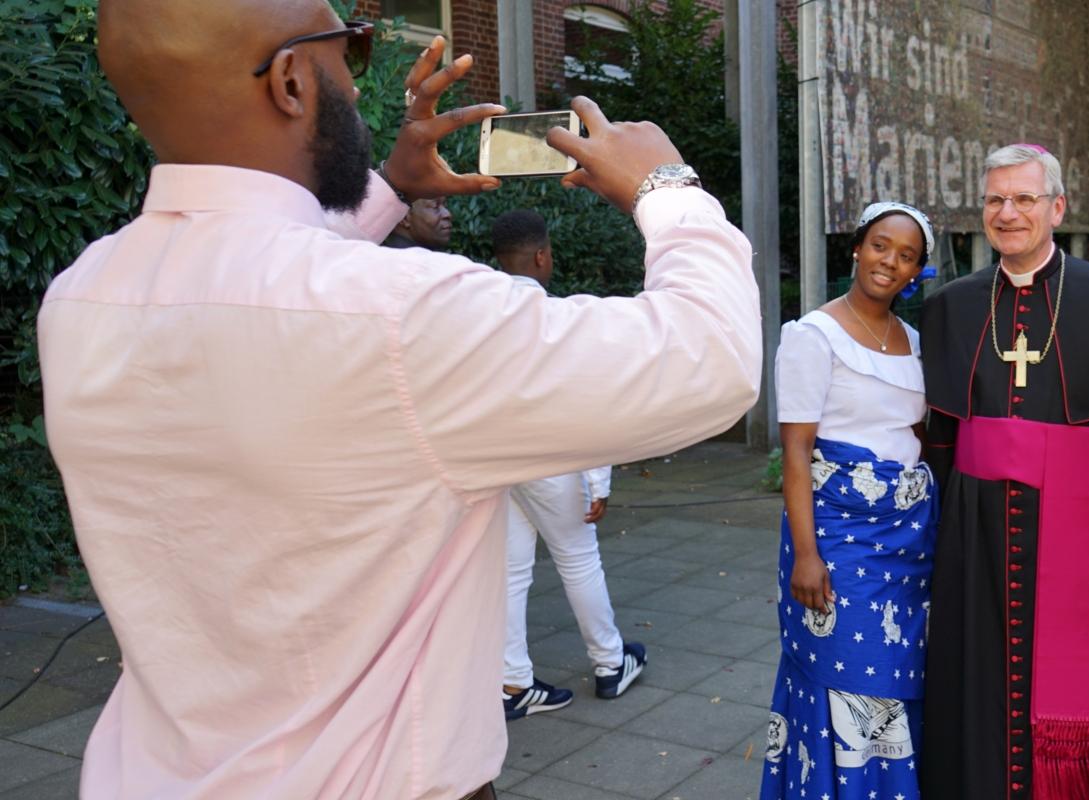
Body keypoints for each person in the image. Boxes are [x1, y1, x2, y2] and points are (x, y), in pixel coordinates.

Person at [39, 3, 762, 798]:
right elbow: (711, 360)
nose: (357, 75)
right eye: (351, 46)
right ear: (289, 81)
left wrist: (385, 189)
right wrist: (667, 186)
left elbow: (272, 295)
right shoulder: (405, 316)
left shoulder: (80, 300)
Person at [920, 144, 1089, 799]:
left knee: (1086, 677)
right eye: (995, 200)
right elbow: (940, 440)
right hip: (978, 531)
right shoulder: (952, 305)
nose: (1008, 212)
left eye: (1024, 199)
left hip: (1082, 527)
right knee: (980, 673)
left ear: (1056, 207)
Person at [763, 201, 939, 800]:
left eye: (907, 256)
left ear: (917, 272)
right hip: (839, 543)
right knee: (842, 674)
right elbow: (796, 455)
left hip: (908, 546)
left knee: (897, 677)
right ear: (857, 248)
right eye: (881, 246)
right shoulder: (813, 337)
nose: (891, 261)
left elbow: (915, 436)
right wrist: (807, 556)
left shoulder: (916, 340)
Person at [489, 209, 646, 719]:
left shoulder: (480, 313)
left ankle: (513, 684)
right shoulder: (559, 316)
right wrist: (598, 478)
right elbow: (588, 400)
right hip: (554, 457)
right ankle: (609, 663)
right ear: (541, 256)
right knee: (579, 558)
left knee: (511, 572)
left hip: (501, 460)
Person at [384, 196, 453, 249]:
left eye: (445, 204)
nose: (447, 214)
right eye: (435, 207)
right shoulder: (407, 263)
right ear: (404, 218)